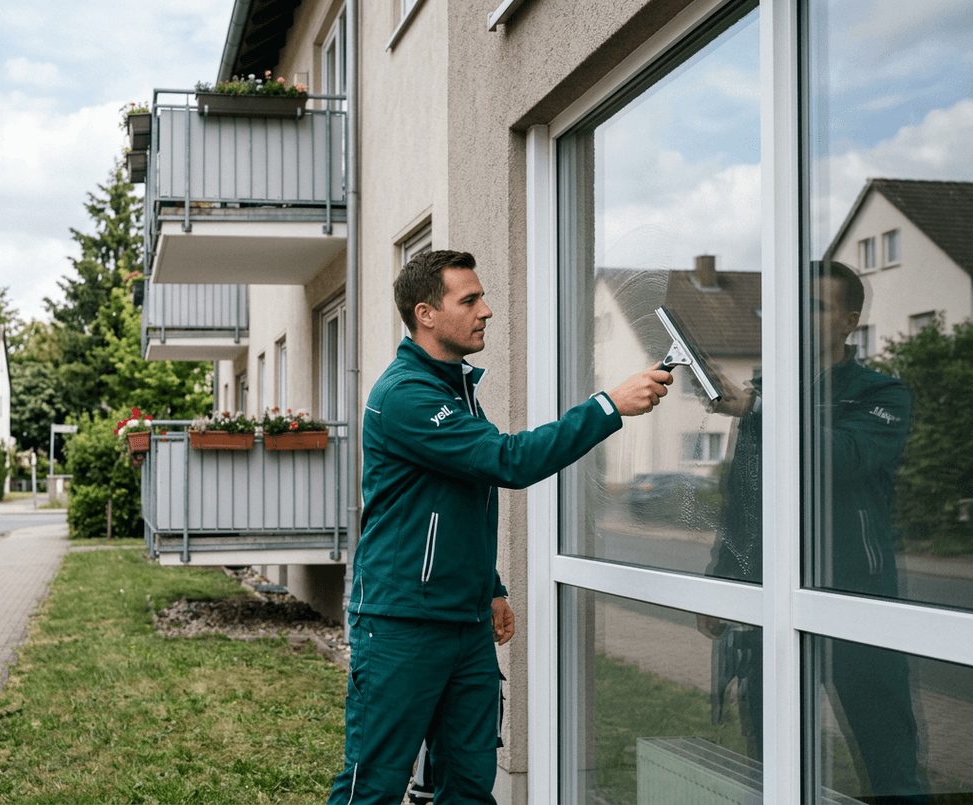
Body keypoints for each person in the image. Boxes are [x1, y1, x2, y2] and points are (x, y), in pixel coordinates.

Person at [327, 250, 672, 805]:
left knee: (468, 784)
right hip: (402, 623)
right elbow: (507, 461)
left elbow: (449, 504)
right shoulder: (407, 396)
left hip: (463, 623)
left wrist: (488, 587)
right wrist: (609, 406)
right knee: (373, 784)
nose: (486, 310)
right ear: (426, 315)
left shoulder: (452, 388)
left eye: (482, 297)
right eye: (470, 300)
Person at [700, 259, 925, 801]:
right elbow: (744, 496)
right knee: (774, 756)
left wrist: (759, 408)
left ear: (849, 322)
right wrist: (722, 579)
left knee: (887, 755)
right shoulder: (768, 390)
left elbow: (844, 457)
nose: (800, 315)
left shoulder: (882, 394)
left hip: (855, 599)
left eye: (817, 306)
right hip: (772, 601)